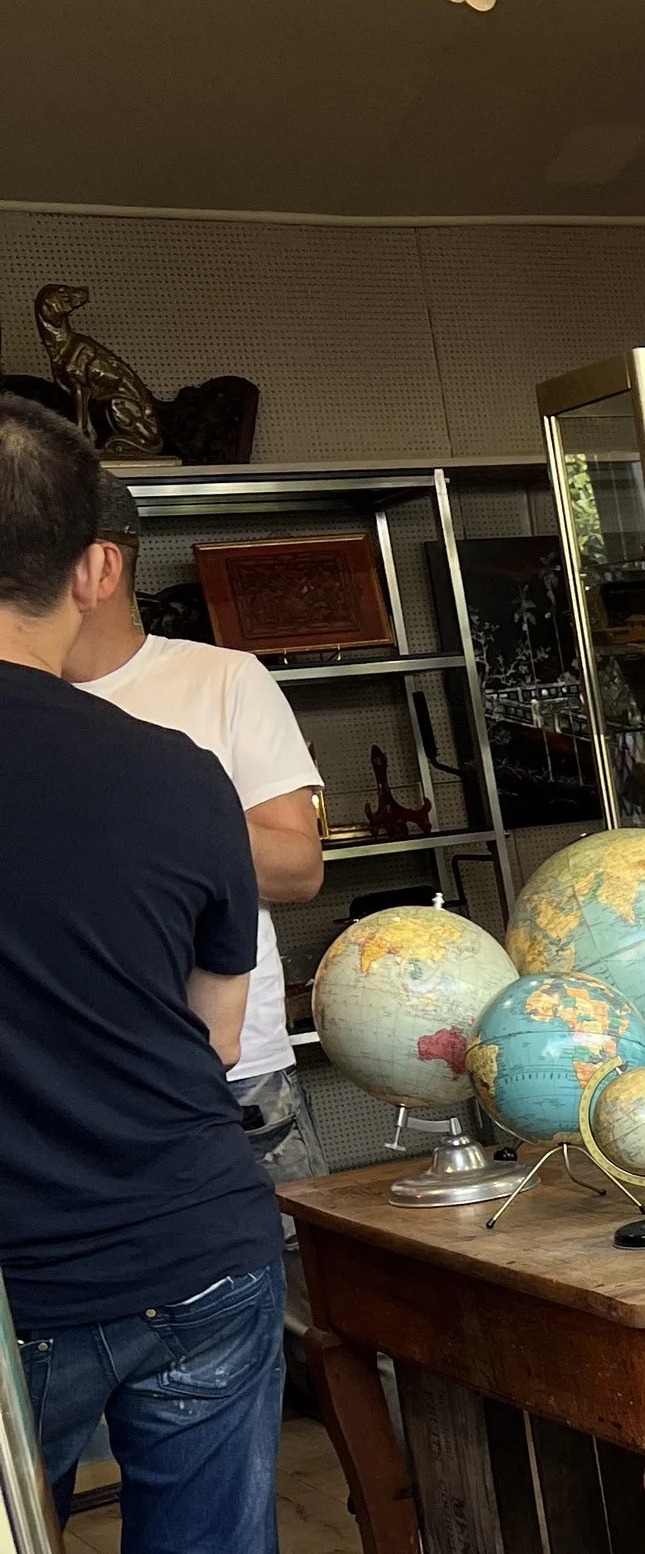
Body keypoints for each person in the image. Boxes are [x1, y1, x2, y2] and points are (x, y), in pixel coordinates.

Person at [0, 397, 327, 1554]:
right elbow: (212, 1028)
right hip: (196, 1241)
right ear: (82, 570)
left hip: (15, 1284)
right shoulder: (174, 770)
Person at [67, 474, 327, 1190]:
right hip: (65, 1077)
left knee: (292, 1289)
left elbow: (299, 870)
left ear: (102, 565)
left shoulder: (225, 679)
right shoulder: (20, 708)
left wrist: (166, 814)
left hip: (236, 1073)